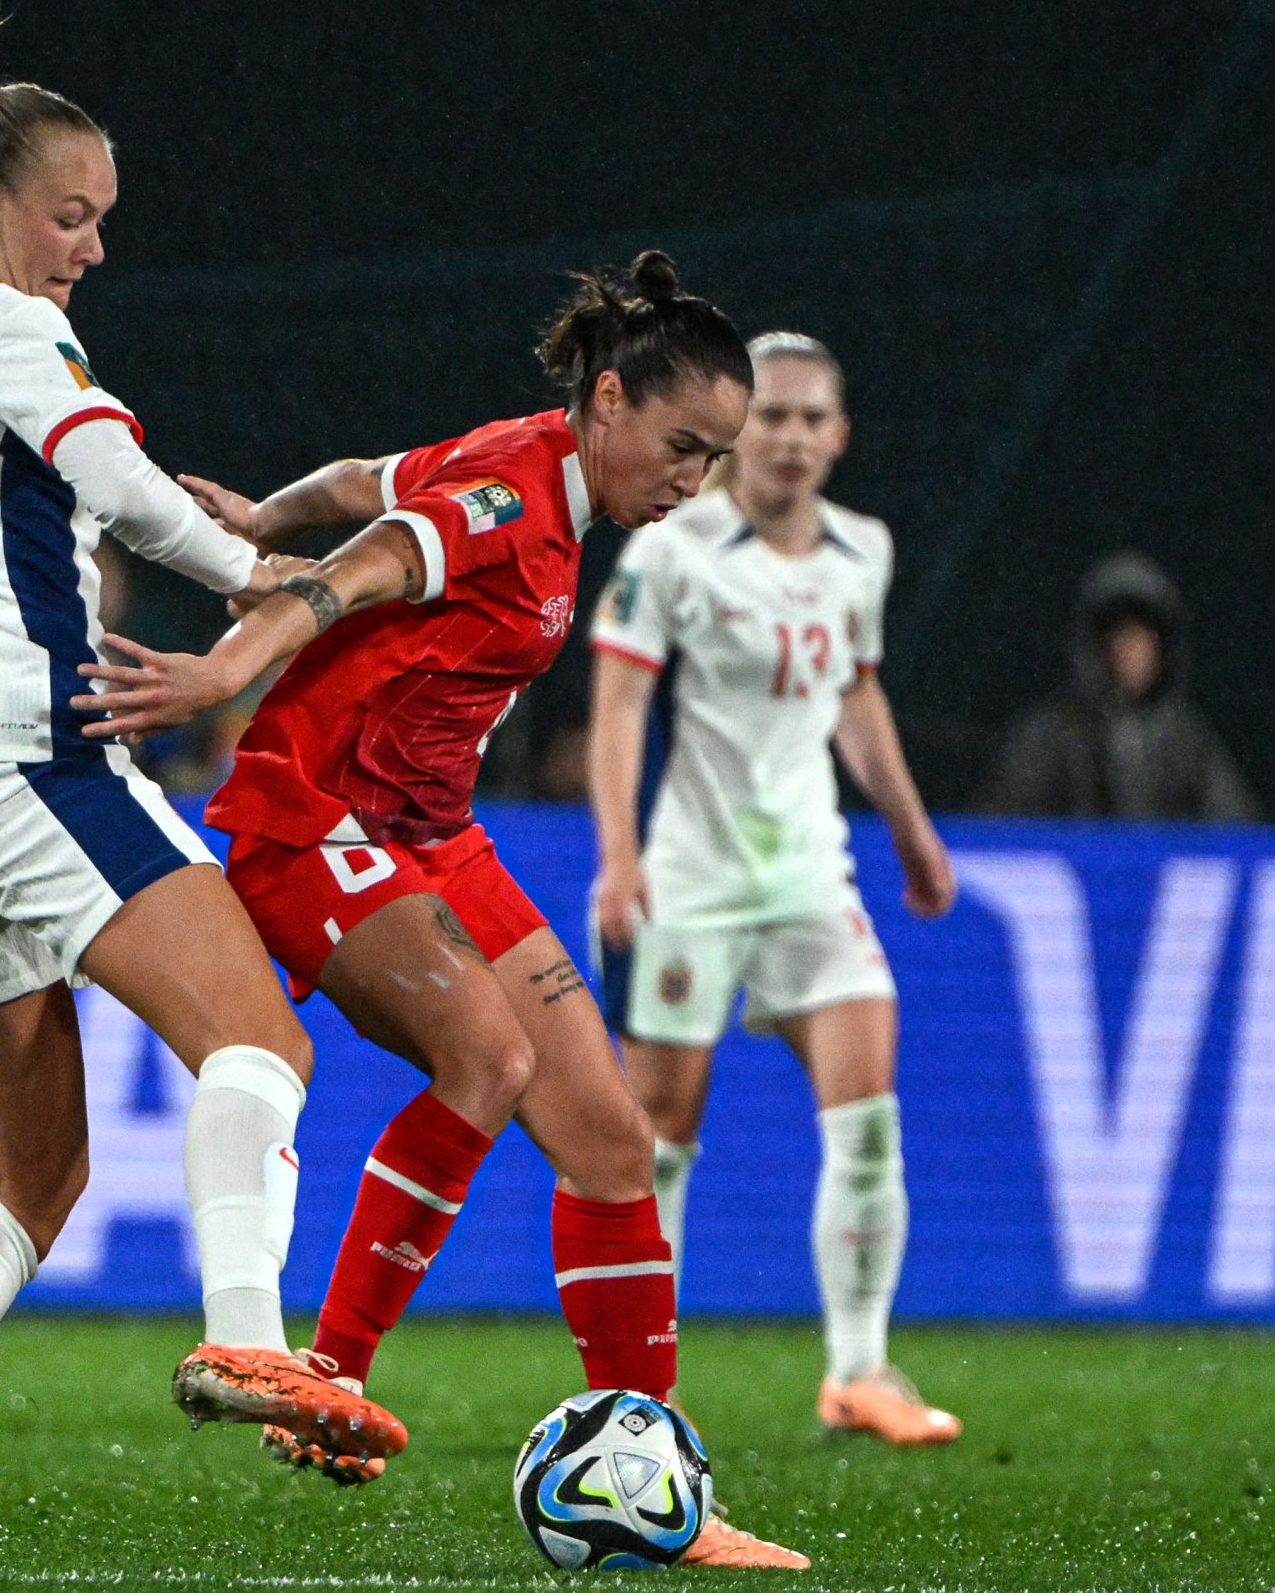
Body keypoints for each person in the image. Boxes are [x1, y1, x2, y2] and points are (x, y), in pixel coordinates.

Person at [0, 0, 402, 1558]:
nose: (92, 251)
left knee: (30, 1179)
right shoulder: (1, 324)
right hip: (14, 754)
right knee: (261, 1046)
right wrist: (272, 581)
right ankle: (250, 1332)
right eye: (73, 217)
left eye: (105, 222)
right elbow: (126, 488)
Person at [88, 252, 807, 1570]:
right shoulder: (508, 501)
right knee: (489, 1057)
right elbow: (358, 565)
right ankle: (326, 1378)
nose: (692, 481)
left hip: (429, 829)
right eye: (683, 446)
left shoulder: (544, 460)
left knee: (609, 1138)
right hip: (320, 810)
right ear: (606, 402)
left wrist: (262, 507)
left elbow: (365, 478)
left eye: (713, 458)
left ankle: (661, 1474)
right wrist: (228, 659)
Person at [586, 332, 962, 1447]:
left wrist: (912, 832)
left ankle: (859, 1368)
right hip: (691, 878)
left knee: (870, 1118)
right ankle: (643, 1379)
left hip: (809, 874)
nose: (792, 437)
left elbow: (855, 696)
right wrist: (619, 854)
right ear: (738, 430)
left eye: (812, 418)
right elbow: (615, 709)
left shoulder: (863, 551)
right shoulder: (673, 549)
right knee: (660, 1137)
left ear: (838, 436)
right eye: (775, 417)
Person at [981, 551, 1255, 822]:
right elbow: (994, 838)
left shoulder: (1188, 742)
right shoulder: (1050, 737)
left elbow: (1238, 837)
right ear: (1095, 646)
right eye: (1121, 635)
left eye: (1144, 638)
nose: (1131, 652)